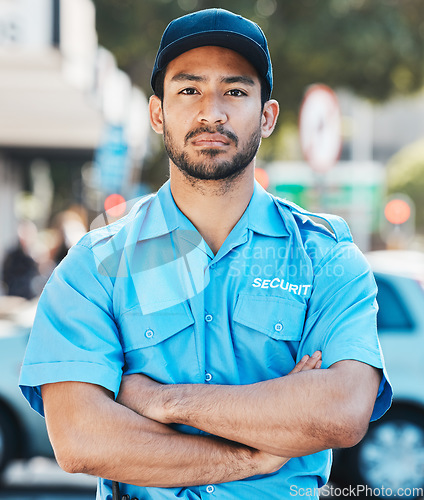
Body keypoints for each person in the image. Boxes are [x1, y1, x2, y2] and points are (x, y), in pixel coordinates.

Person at [20, 8, 392, 500]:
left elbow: (342, 411)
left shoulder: (325, 257)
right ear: (157, 113)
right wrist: (250, 455)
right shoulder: (98, 262)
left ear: (267, 116)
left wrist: (161, 400)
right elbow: (80, 439)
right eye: (189, 89)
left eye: (235, 91)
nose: (211, 111)